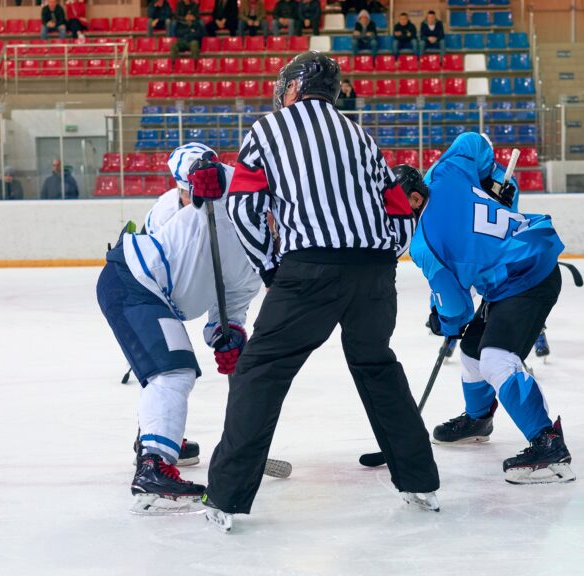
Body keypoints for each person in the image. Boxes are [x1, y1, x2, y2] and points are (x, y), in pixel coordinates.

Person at [200, 51, 440, 532]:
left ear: (293, 87)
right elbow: (397, 215)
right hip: (373, 273)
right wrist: (380, 260)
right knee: (376, 366)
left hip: (308, 269)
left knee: (260, 372)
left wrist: (273, 268)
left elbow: (244, 210)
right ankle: (420, 482)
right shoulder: (363, 137)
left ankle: (225, 498)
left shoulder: (267, 130)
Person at [96, 142, 261, 513]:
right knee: (173, 371)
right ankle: (153, 463)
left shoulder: (254, 266)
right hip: (133, 283)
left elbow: (230, 307)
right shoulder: (222, 197)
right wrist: (206, 174)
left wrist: (228, 335)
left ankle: (159, 440)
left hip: (152, 297)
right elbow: (203, 168)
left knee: (173, 369)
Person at [412, 132, 575, 485]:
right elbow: (474, 142)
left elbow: (456, 310)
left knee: (496, 359)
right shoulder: (444, 173)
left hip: (526, 278)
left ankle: (548, 444)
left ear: (410, 200)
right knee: (472, 350)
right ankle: (478, 419)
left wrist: (442, 320)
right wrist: (495, 182)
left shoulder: (423, 243)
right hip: (524, 259)